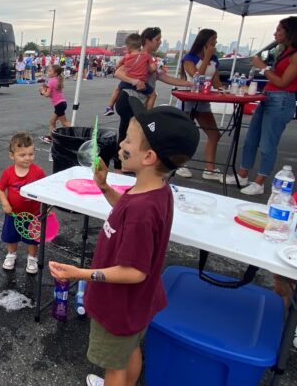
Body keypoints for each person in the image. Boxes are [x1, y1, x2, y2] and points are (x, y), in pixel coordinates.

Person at [49, 98, 200, 386]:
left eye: (129, 140)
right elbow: (125, 215)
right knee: (129, 350)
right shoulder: (154, 190)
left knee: (113, 366)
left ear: (149, 157)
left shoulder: (143, 209)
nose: (120, 144)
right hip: (138, 302)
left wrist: (79, 273)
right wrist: (105, 187)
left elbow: (134, 271)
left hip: (120, 304)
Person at [113, 27, 193, 170]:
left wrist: (189, 83)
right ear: (146, 41)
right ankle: (119, 168)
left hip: (139, 101)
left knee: (135, 134)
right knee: (127, 133)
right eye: (157, 40)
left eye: (160, 40)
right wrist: (135, 81)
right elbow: (118, 72)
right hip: (129, 99)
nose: (159, 43)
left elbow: (163, 77)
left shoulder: (149, 60)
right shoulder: (137, 56)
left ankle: (128, 165)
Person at [237, 16, 297, 195]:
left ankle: (260, 182)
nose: (275, 33)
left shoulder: (295, 55)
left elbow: (282, 82)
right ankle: (242, 174)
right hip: (268, 97)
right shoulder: (284, 51)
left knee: (267, 143)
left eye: (279, 30)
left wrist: (263, 68)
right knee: (250, 139)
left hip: (281, 99)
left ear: (290, 33)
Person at [175, 29, 227, 182]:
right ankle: (180, 164)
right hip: (188, 98)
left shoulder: (214, 59)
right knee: (184, 134)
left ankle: (209, 169)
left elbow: (216, 81)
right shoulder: (189, 58)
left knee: (214, 134)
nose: (215, 44)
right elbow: (196, 77)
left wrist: (224, 90)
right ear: (204, 41)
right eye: (213, 40)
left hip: (203, 101)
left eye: (216, 40)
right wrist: (206, 59)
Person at [0, 133, 45, 274]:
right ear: (12, 156)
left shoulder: (38, 172)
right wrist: (5, 203)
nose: (27, 158)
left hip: (33, 215)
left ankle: (32, 258)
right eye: (22, 155)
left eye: (30, 154)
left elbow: (44, 189)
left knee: (32, 239)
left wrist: (47, 208)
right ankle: (11, 254)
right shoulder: (8, 173)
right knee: (11, 236)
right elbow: (0, 189)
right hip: (13, 214)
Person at [104, 33, 157, 117]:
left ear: (128, 47)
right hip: (141, 83)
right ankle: (148, 114)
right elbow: (153, 68)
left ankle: (109, 107)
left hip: (127, 82)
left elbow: (117, 66)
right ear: (140, 46)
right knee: (153, 95)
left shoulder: (126, 57)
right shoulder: (146, 56)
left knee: (117, 89)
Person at [39, 65, 71, 143]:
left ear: (55, 73)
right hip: (61, 103)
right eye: (48, 71)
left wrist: (42, 91)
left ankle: (74, 135)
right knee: (52, 121)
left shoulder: (51, 81)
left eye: (50, 71)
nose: (48, 72)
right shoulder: (57, 80)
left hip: (59, 105)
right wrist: (44, 90)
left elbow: (48, 95)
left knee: (65, 122)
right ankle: (50, 137)